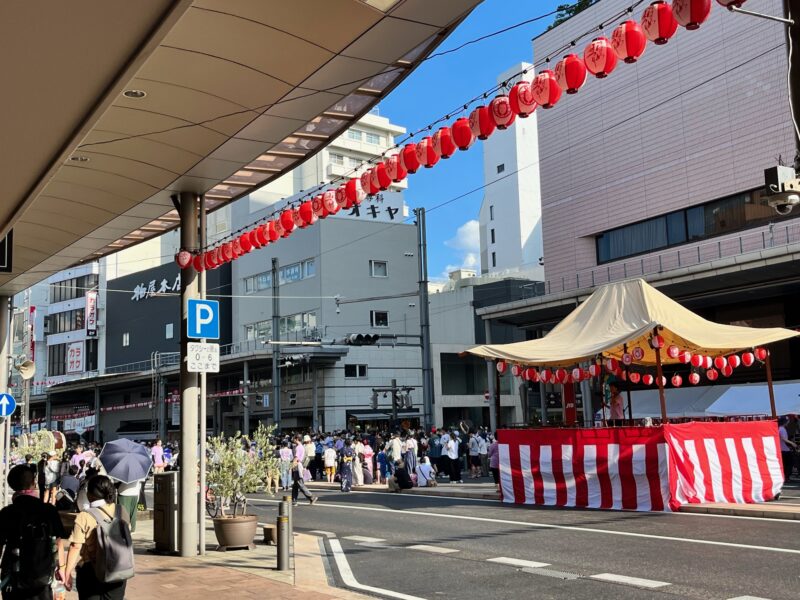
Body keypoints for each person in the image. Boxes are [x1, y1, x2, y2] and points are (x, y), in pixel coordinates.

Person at [0, 465, 67, 600]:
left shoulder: (7, 513)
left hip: (13, 575)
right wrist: (62, 568)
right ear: (33, 483)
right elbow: (59, 541)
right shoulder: (49, 510)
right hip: (43, 573)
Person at [63, 476, 130, 599]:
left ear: (90, 494)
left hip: (91, 570)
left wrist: (67, 573)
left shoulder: (85, 516)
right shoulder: (121, 510)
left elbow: (75, 546)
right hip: (118, 568)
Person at [291, 438, 318, 507]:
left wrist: (291, 466)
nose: (293, 439)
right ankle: (294, 500)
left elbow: (296, 458)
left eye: (294, 438)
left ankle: (311, 496)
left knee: (300, 484)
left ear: (296, 439)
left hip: (297, 466)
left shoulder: (299, 447)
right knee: (295, 485)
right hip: (300, 466)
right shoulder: (303, 447)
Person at [778, 416, 797, 482]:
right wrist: (792, 443)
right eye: (787, 421)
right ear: (785, 422)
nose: (788, 422)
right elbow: (783, 439)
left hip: (783, 449)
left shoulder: (781, 428)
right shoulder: (781, 429)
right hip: (785, 450)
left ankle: (786, 477)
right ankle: (786, 477)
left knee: (786, 464)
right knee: (788, 464)